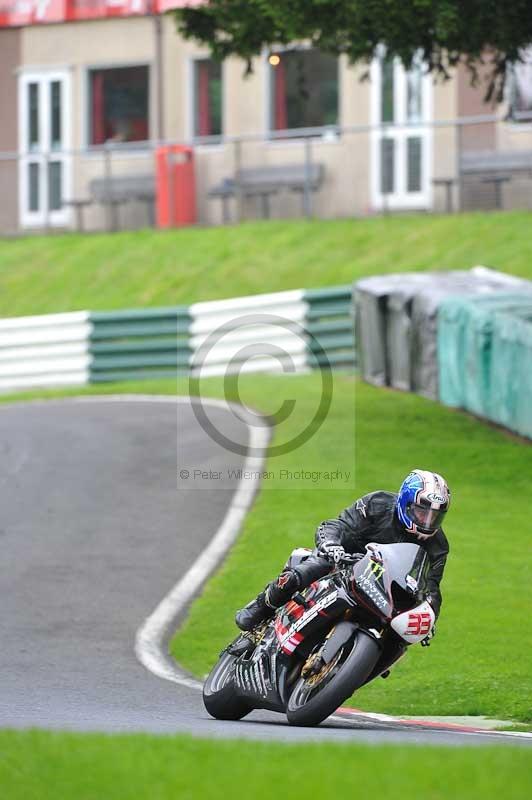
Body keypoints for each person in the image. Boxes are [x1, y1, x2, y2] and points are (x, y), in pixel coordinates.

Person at [235, 469, 450, 632]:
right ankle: (262, 605)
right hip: (343, 561)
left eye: (435, 516)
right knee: (314, 566)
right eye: (422, 512)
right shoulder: (378, 503)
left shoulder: (438, 545)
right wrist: (331, 546)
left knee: (399, 635)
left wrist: (430, 618)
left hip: (384, 588)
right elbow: (338, 525)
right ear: (405, 503)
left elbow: (431, 588)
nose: (427, 521)